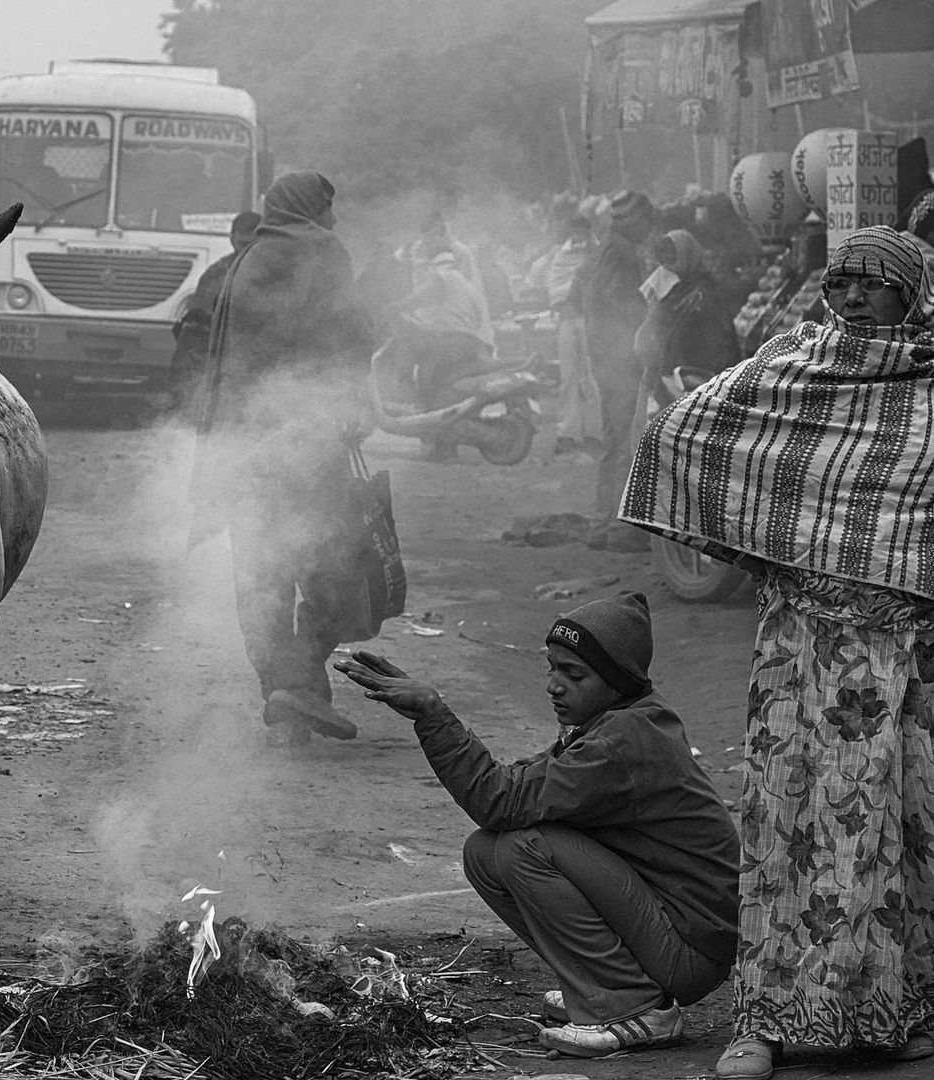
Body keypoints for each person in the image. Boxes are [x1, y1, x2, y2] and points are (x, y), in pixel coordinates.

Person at [623, 226, 934, 1079]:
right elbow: (687, 431)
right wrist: (759, 541)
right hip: (797, 647)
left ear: (913, 294)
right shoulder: (793, 364)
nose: (855, 297)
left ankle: (890, 1011)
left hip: (897, 655)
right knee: (787, 827)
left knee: (888, 832)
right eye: (844, 282)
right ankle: (764, 1021)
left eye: (876, 284)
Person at [336, 592, 738, 1058]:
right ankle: (597, 987)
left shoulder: (623, 741)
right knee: (485, 854)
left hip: (688, 951)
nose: (554, 685)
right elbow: (516, 788)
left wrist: (432, 714)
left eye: (574, 674)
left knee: (524, 847)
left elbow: (501, 799)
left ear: (616, 680)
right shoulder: (614, 721)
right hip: (667, 927)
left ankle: (636, 1007)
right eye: (552, 668)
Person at [190, 171, 377, 746]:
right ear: (309, 207)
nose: (334, 219)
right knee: (335, 574)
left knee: (262, 576)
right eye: (328, 205)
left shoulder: (245, 260)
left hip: (243, 446)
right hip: (306, 443)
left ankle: (286, 692)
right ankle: (297, 682)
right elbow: (352, 337)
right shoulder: (323, 252)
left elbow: (220, 360)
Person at [580, 189, 654, 552]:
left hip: (604, 351)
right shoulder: (620, 251)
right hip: (615, 354)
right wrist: (644, 320)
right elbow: (615, 298)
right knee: (624, 438)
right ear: (635, 222)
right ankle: (618, 529)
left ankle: (601, 525)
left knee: (614, 439)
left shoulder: (608, 245)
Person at [629, 228, 743, 446]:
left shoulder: (705, 292)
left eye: (673, 259)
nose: (669, 266)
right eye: (665, 260)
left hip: (698, 382)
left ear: (687, 257)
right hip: (670, 382)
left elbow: (714, 341)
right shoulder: (670, 292)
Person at [386, 246, 496, 461]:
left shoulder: (442, 277)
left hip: (453, 342)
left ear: (432, 263)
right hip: (472, 344)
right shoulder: (467, 284)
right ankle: (444, 445)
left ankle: (436, 439)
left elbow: (422, 298)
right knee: (441, 387)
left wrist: (395, 306)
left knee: (427, 383)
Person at [170, 210, 261, 408]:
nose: (245, 252)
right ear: (232, 239)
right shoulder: (216, 275)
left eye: (251, 245)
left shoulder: (272, 273)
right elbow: (193, 335)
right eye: (242, 244)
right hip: (220, 370)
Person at [530, 214, 602, 455]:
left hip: (589, 320)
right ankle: (567, 433)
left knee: (592, 377)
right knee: (568, 377)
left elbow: (596, 285)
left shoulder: (597, 254)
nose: (577, 234)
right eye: (574, 229)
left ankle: (594, 433)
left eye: (582, 229)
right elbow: (555, 286)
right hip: (567, 319)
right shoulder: (561, 255)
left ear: (587, 230)